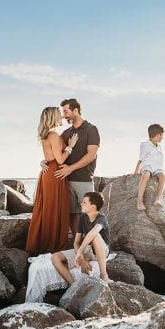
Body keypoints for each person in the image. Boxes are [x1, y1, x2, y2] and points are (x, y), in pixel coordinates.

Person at [27, 107, 76, 255]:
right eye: (58, 115)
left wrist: (44, 161)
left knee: (47, 209)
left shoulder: (46, 135)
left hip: (49, 172)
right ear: (52, 117)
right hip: (55, 173)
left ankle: (44, 243)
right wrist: (70, 147)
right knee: (55, 209)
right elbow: (60, 159)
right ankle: (52, 245)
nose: (61, 117)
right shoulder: (53, 135)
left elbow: (50, 157)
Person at [57, 99, 101, 234]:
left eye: (66, 111)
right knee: (71, 214)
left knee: (90, 214)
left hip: (84, 179)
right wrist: (44, 162)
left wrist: (70, 168)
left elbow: (91, 155)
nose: (64, 116)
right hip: (67, 181)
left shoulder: (91, 129)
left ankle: (93, 247)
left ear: (75, 110)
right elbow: (55, 153)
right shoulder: (66, 133)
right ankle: (78, 245)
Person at [51, 191, 110, 288]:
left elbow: (93, 233)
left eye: (84, 202)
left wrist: (80, 252)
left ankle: (104, 275)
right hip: (88, 249)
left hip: (102, 251)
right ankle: (73, 287)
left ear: (93, 207)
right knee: (55, 257)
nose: (81, 204)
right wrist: (81, 259)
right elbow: (76, 242)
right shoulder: (82, 218)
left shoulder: (102, 218)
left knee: (94, 236)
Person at [134, 124, 165, 211]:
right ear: (157, 135)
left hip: (157, 168)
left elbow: (160, 161)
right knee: (146, 175)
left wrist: (160, 171)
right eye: (161, 135)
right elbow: (140, 160)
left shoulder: (159, 147)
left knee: (163, 177)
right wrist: (135, 173)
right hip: (147, 166)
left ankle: (158, 199)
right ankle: (139, 201)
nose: (162, 137)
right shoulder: (144, 145)